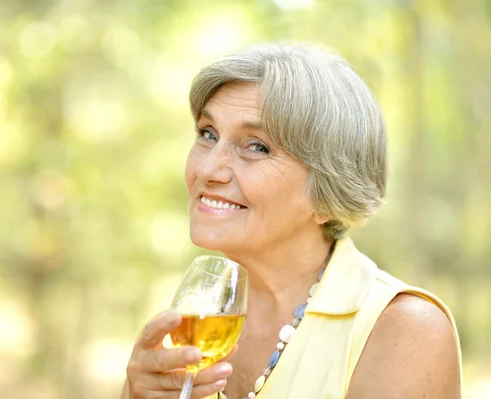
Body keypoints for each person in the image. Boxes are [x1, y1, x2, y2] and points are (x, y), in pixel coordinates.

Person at [121, 43, 462, 399]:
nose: (207, 169)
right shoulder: (196, 318)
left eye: (256, 146)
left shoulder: (404, 330)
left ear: (327, 192)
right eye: (208, 134)